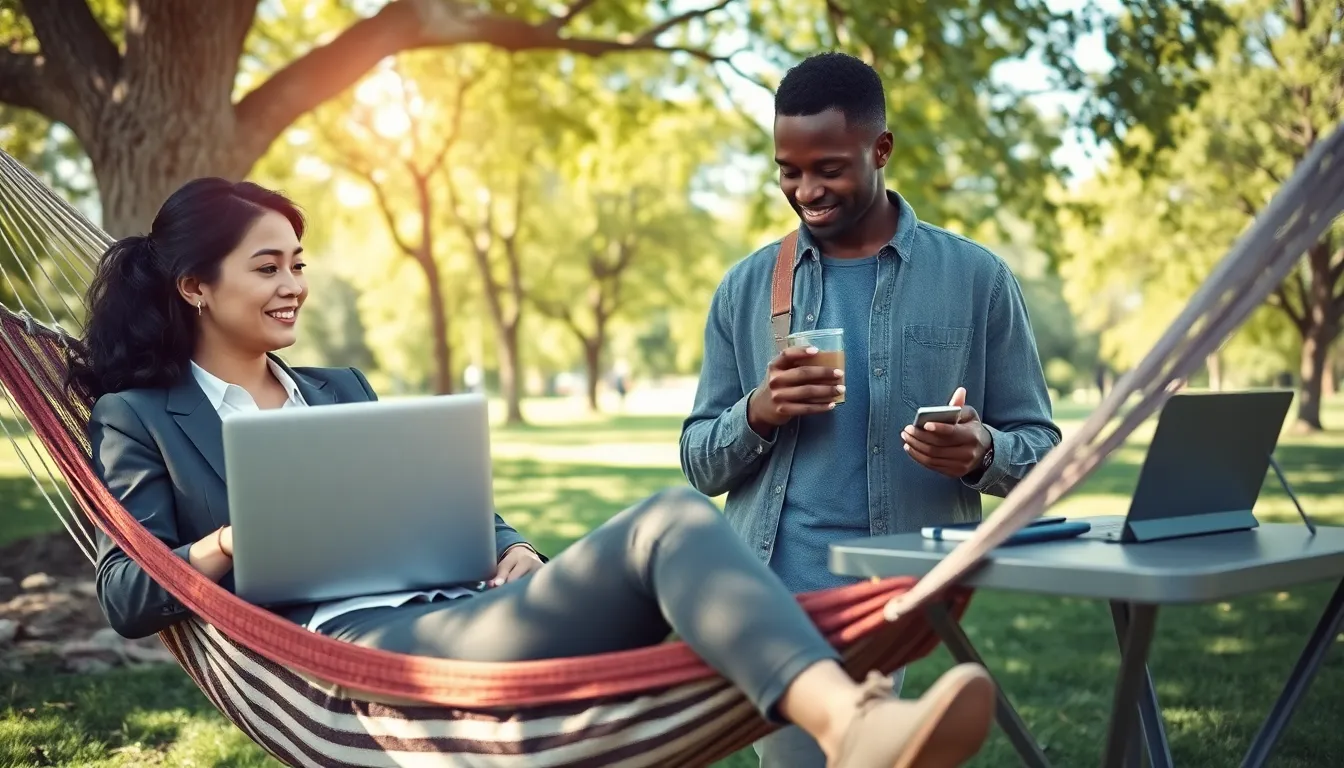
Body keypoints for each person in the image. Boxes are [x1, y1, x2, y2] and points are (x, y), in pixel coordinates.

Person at [70, 177, 997, 768]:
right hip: (358, 656)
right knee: (668, 525)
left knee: (671, 523)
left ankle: (850, 721)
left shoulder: (336, 386)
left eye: (299, 264)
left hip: (471, 607)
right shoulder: (140, 418)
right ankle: (853, 723)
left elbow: (434, 499)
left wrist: (511, 548)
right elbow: (127, 593)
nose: (294, 286)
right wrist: (240, 534)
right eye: (266, 266)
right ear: (195, 285)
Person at [679, 52, 1062, 767]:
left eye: (828, 168)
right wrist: (758, 412)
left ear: (880, 149)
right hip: (780, 599)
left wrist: (983, 454)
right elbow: (699, 458)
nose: (805, 190)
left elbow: (1045, 452)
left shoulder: (977, 280)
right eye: (788, 171)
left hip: (909, 598)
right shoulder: (748, 287)